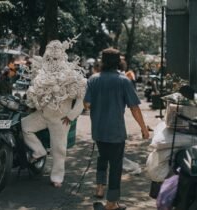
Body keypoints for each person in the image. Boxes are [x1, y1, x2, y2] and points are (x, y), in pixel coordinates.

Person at [84, 48, 149, 210]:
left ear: (103, 62)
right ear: (118, 62)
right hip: (116, 131)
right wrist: (144, 128)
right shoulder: (124, 80)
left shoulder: (93, 79)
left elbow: (87, 104)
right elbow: (134, 108)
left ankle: (100, 187)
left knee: (102, 156)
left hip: (98, 130)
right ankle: (111, 203)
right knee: (115, 165)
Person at [21, 40, 86, 188]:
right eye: (49, 57)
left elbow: (81, 100)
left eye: (55, 58)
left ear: (63, 57)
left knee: (59, 149)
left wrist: (71, 116)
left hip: (61, 119)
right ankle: (39, 151)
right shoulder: (40, 74)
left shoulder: (73, 76)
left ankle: (57, 177)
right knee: (25, 126)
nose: (52, 60)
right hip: (43, 115)